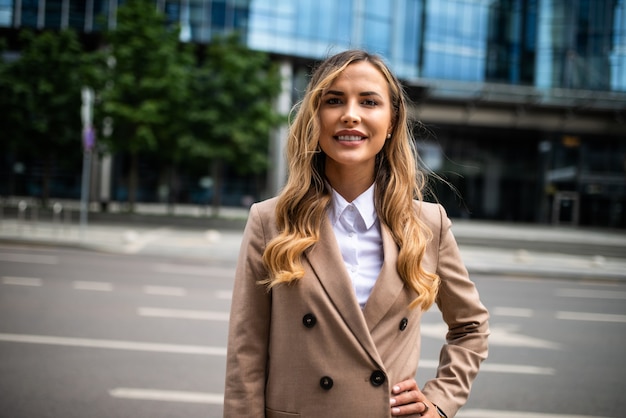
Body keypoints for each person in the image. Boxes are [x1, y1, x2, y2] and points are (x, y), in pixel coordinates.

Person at [223, 49, 489, 418]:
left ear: (392, 120)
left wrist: (440, 402)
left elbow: (470, 328)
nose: (350, 114)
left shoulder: (428, 223)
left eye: (369, 101)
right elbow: (245, 352)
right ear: (315, 117)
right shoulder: (270, 220)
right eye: (334, 101)